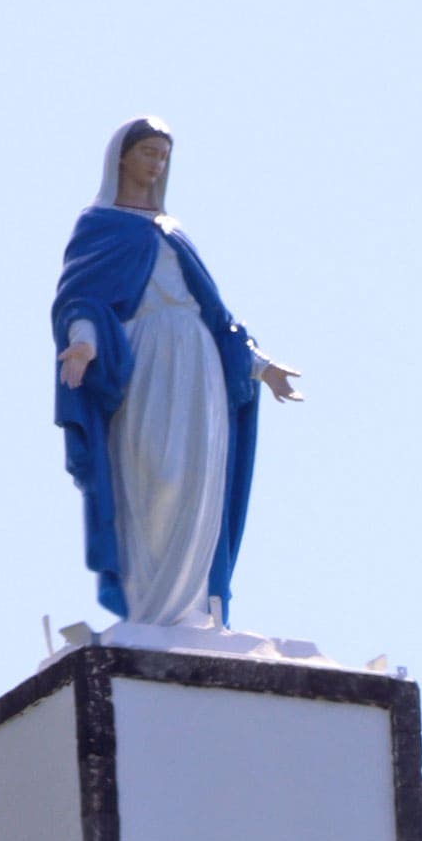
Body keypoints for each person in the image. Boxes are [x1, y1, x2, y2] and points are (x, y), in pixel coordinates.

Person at [51, 116, 302, 630]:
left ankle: (191, 611)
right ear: (122, 156)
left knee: (196, 480)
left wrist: (261, 366)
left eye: (163, 156)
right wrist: (82, 344)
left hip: (199, 363)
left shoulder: (174, 231)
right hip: (144, 360)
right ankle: (150, 609)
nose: (156, 163)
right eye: (148, 152)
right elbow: (83, 299)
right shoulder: (99, 225)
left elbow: (219, 317)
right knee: (154, 474)